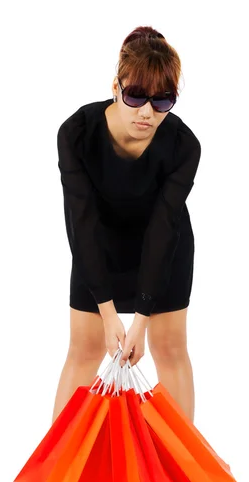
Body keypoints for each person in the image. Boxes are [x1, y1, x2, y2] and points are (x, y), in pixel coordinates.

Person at [52, 25, 201, 424]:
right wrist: (107, 311)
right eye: (136, 96)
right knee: (83, 351)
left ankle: (181, 474)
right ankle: (56, 480)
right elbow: (79, 221)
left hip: (163, 248)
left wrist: (142, 318)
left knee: (170, 350)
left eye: (163, 100)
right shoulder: (76, 134)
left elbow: (164, 226)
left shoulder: (184, 145)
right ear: (116, 87)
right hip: (96, 245)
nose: (147, 112)